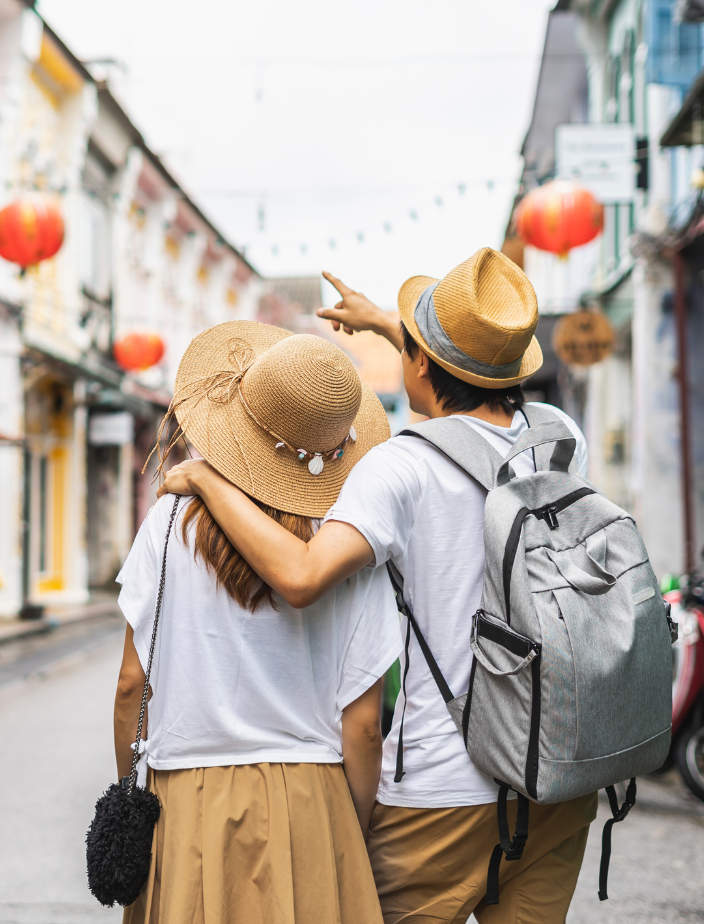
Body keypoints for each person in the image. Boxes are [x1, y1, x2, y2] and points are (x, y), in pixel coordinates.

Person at [160, 248, 598, 924]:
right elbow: (470, 388)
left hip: (442, 789)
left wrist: (209, 480)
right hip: (555, 775)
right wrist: (398, 331)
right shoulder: (560, 440)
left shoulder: (399, 468)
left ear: (419, 362)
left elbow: (303, 577)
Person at [115, 321, 404, 924]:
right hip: (312, 800)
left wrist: (130, 787)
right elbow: (365, 723)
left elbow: (129, 684)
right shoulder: (346, 545)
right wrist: (345, 825)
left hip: (186, 796)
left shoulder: (169, 524)